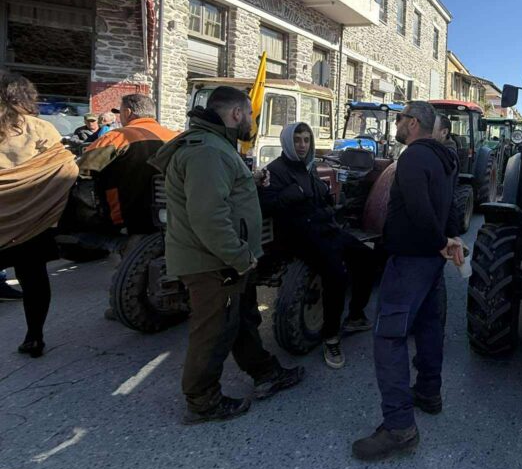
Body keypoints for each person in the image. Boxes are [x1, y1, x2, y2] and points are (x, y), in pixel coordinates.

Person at [150, 85, 304, 424]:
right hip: (215, 262)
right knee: (214, 330)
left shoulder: (216, 146)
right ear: (236, 113)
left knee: (241, 318)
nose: (251, 119)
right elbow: (208, 215)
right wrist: (237, 256)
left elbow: (219, 189)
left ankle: (266, 373)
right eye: (249, 113)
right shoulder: (208, 151)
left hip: (226, 260)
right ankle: (202, 401)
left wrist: (250, 178)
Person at [352, 101, 462, 462]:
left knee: (389, 337)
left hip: (411, 261)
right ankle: (429, 392)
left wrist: (439, 241)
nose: (397, 125)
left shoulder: (414, 158)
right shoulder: (445, 158)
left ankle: (399, 427)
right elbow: (448, 208)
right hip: (430, 263)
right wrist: (447, 241)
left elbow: (418, 209)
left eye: (399, 119)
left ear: (413, 123)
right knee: (429, 326)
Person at [259, 121, 374, 370]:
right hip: (298, 236)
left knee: (366, 257)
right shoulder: (275, 170)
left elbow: (320, 200)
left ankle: (355, 314)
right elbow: (267, 205)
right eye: (297, 140)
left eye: (306, 140)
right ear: (288, 142)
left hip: (325, 229)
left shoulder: (308, 168)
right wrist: (294, 192)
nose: (302, 145)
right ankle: (330, 337)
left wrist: (325, 202)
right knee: (336, 274)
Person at [0, 72, 78, 357]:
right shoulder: (40, 128)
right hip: (32, 221)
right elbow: (65, 168)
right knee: (33, 277)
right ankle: (34, 337)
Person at [79, 93, 177, 234]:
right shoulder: (175, 136)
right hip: (170, 218)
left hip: (125, 221)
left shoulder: (116, 137)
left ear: (127, 112)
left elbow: (82, 171)